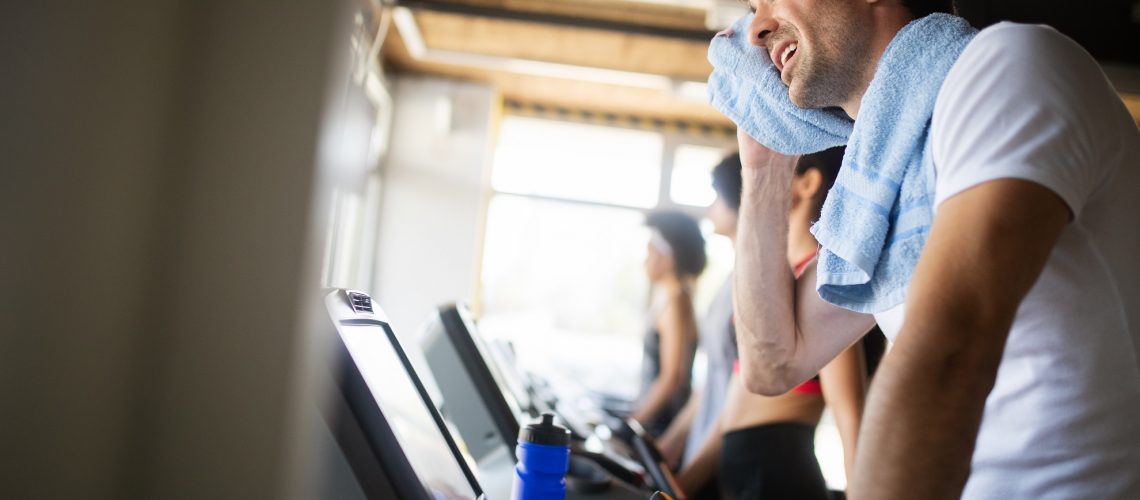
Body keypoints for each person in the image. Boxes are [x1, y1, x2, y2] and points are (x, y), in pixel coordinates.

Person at [720, 0, 1140, 498]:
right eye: (752, 8)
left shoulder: (1011, 65)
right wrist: (764, 163)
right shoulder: (891, 178)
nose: (757, 28)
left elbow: (947, 352)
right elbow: (773, 365)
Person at [680, 147, 883, 500]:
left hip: (776, 470)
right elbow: (736, 401)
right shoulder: (778, 283)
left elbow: (849, 413)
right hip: (743, 465)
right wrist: (684, 480)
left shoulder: (824, 283)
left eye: (780, 167)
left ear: (808, 183)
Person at [654, 154, 744, 499]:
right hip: (700, 447)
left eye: (717, 199)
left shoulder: (754, 285)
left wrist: (690, 478)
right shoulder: (730, 282)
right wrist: (667, 447)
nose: (709, 211)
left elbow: (737, 395)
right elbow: (709, 386)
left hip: (721, 459)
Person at [631, 210, 706, 436]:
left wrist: (632, 425)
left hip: (661, 426)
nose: (645, 259)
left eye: (649, 250)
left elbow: (672, 379)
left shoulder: (676, 303)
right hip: (657, 420)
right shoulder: (671, 298)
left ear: (668, 256)